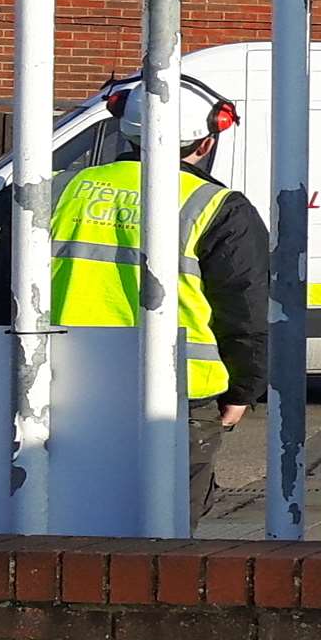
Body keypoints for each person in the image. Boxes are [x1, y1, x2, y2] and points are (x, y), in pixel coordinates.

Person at [46, 77, 270, 528]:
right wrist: (244, 390)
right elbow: (245, 310)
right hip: (177, 395)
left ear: (123, 129)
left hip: (60, 387)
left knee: (66, 525)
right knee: (161, 542)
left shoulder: (57, 189)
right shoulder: (218, 206)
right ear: (206, 141)